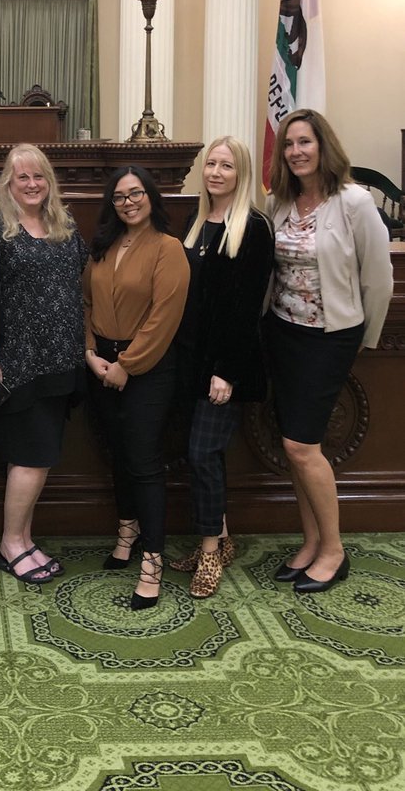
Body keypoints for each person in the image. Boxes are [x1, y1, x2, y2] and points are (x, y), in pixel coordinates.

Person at [264, 108, 393, 593]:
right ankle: (311, 541)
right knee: (294, 447)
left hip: (330, 336)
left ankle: (334, 550)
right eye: (289, 144)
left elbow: (378, 279)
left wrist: (362, 339)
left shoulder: (354, 202)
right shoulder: (280, 202)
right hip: (283, 331)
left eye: (305, 142)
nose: (296, 151)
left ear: (324, 147)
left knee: (302, 445)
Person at [0, 143, 87, 586]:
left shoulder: (64, 226)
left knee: (43, 456)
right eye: (23, 178)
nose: (33, 184)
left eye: (39, 177)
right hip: (18, 365)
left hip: (61, 361)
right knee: (30, 457)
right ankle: (10, 543)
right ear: (9, 183)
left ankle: (25, 538)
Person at [171, 138, 274, 598]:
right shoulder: (195, 223)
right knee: (196, 453)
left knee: (202, 454)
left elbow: (246, 307)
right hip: (190, 362)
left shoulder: (253, 227)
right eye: (210, 164)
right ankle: (222, 537)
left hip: (224, 367)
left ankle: (210, 551)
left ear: (241, 174)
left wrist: (226, 372)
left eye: (226, 165)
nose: (215, 172)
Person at [83, 165, 189, 610]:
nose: (129, 202)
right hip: (101, 362)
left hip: (147, 367)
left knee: (144, 462)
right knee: (118, 454)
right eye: (121, 196)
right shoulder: (102, 247)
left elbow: (164, 318)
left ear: (151, 197)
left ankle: (151, 564)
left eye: (136, 193)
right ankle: (125, 536)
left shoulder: (169, 249)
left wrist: (126, 366)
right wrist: (90, 353)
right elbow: (85, 302)